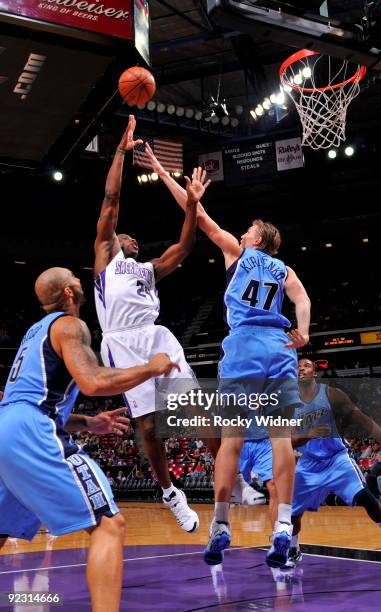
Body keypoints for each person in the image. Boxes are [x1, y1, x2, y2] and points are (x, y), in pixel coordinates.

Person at [144, 145, 311, 567]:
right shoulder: (284, 269)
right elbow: (302, 299)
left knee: (232, 438)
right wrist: (303, 332)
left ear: (256, 240)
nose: (240, 233)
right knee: (281, 438)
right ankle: (285, 526)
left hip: (243, 349)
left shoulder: (238, 254)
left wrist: (165, 173)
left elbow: (195, 213)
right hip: (279, 348)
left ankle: (220, 524)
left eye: (247, 230)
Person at [0, 267, 179, 612]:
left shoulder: (33, 333)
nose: (81, 280)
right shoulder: (69, 325)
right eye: (74, 278)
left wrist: (88, 422)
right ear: (69, 292)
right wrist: (152, 368)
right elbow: (93, 382)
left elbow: (36, 396)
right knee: (110, 524)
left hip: (7, 426)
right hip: (30, 430)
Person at [93, 115, 211, 533]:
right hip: (121, 343)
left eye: (136, 241)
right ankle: (169, 492)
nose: (134, 241)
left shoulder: (147, 268)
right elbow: (110, 200)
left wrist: (193, 204)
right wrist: (121, 153)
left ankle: (233, 477)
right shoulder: (106, 260)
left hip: (156, 334)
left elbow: (184, 247)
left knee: (198, 408)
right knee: (148, 425)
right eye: (128, 238)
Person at [284, 358, 381, 568]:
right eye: (298, 367)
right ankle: (294, 549)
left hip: (336, 459)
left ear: (314, 373)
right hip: (309, 463)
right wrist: (308, 435)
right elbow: (288, 442)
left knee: (366, 499)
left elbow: (364, 420)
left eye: (306, 366)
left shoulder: (331, 394)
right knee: (294, 513)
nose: (301, 369)